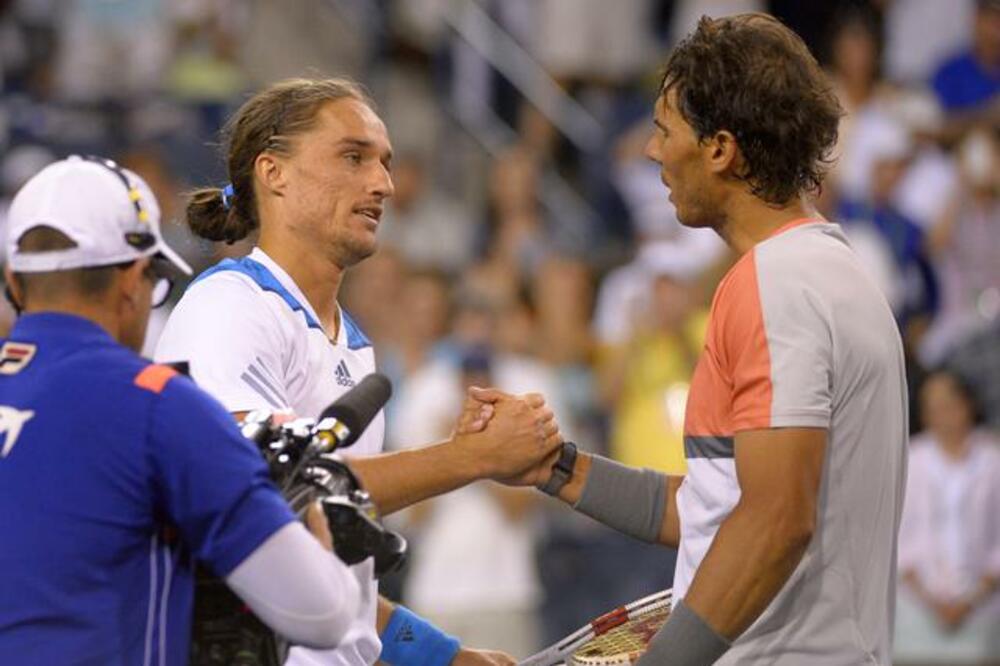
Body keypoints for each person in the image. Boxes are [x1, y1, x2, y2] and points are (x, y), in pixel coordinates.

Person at [515, 14, 908, 665]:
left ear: (720, 148)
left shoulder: (775, 282)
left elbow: (778, 519)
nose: (650, 151)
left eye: (665, 130)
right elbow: (716, 508)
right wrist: (555, 467)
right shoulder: (836, 274)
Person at [153, 78, 561, 666]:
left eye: (385, 163)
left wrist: (444, 656)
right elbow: (264, 493)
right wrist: (470, 457)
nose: (383, 184)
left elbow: (322, 568)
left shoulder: (354, 345)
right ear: (275, 174)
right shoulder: (228, 307)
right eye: (353, 157)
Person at [0, 156, 365, 664]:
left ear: (14, 282)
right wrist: (315, 520)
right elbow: (322, 614)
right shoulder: (158, 407)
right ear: (132, 279)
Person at [895, 370, 1000, 665]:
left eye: (950, 403)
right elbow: (900, 538)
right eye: (934, 406)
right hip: (916, 610)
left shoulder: (992, 459)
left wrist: (972, 597)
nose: (944, 414)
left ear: (968, 404)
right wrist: (931, 600)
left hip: (981, 610)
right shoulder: (910, 459)